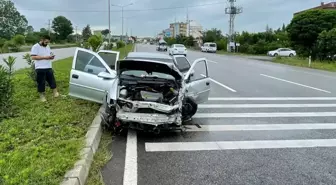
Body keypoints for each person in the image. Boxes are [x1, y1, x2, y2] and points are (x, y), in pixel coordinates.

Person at [30, 35, 59, 102]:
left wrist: (51, 57)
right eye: (46, 42)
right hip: (40, 68)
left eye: (48, 42)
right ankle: (42, 97)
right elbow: (33, 57)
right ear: (42, 40)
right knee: (41, 82)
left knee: (52, 81)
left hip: (48, 66)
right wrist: (45, 57)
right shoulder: (35, 46)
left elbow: (49, 54)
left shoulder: (47, 46)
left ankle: (55, 93)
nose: (47, 44)